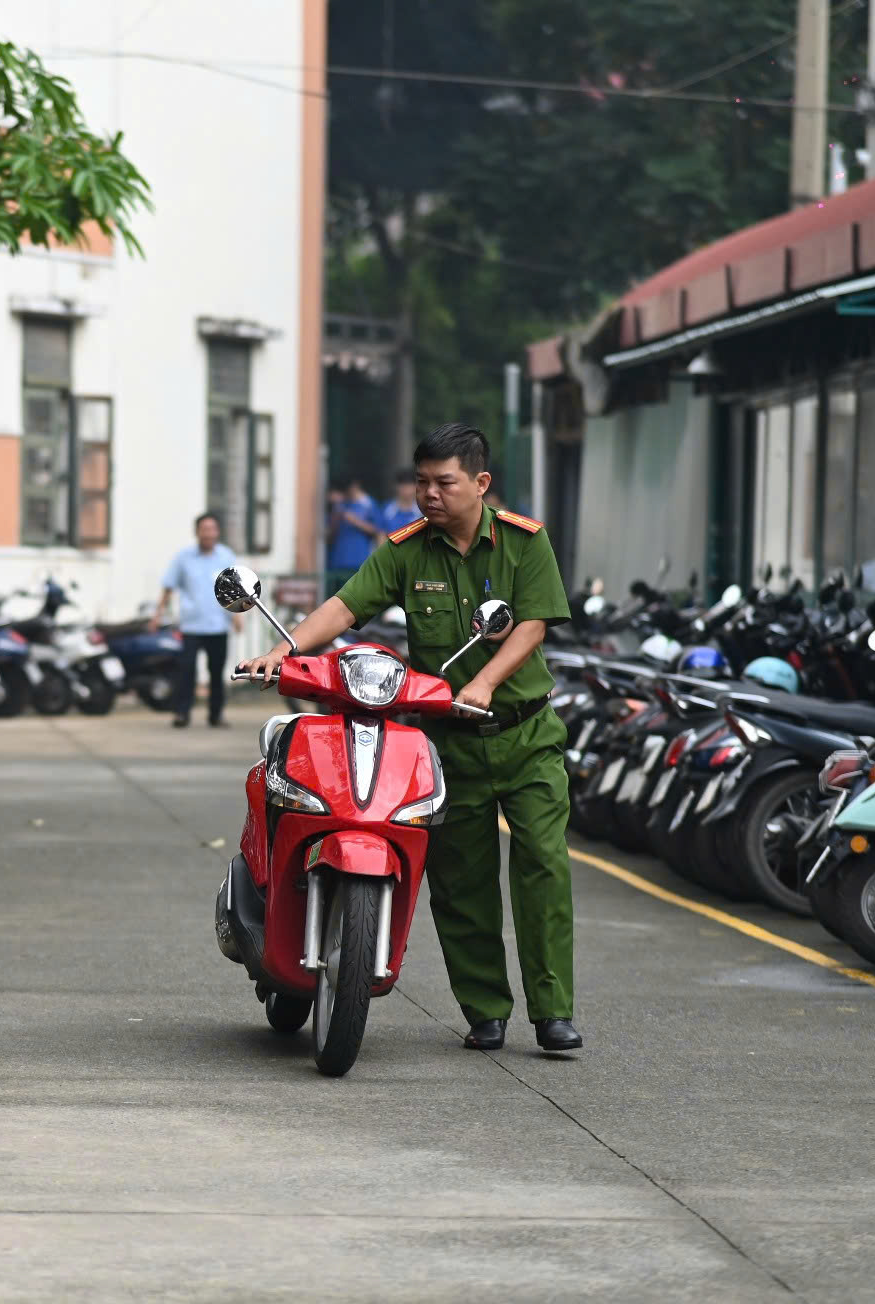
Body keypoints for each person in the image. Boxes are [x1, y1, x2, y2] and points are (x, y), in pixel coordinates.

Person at [236, 423, 581, 1054]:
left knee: (543, 865)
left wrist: (483, 682)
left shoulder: (526, 544)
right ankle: (485, 1012)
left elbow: (532, 625)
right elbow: (345, 607)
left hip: (526, 734)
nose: (428, 494)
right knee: (460, 877)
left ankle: (553, 1012)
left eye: (443, 483)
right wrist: (281, 652)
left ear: (480, 484)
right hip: (447, 740)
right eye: (421, 481)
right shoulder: (406, 550)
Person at [156, 512, 239, 729]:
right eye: (204, 529)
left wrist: (237, 617)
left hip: (218, 625)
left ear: (217, 532)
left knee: (216, 671)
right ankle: (182, 713)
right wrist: (158, 613)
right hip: (191, 626)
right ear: (197, 532)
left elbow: (235, 589)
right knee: (186, 671)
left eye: (212, 529)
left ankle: (216, 714)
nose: (208, 534)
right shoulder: (184, 558)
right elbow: (169, 586)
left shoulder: (226, 556)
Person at [324, 480, 382, 594]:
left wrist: (354, 520)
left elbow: (378, 531)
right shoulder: (340, 506)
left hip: (360, 563)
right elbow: (329, 537)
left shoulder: (369, 504)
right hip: (338, 563)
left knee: (359, 598)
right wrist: (337, 513)